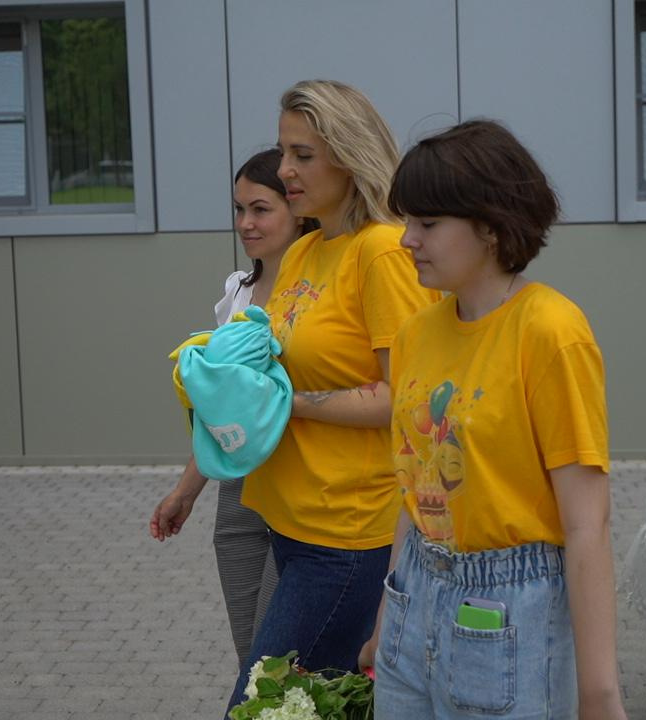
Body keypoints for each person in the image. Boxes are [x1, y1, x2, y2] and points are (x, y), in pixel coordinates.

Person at [362, 119, 627, 719]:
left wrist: (599, 693)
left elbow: (587, 522)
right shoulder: (415, 333)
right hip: (411, 598)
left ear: (490, 225)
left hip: (511, 609)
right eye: (407, 221)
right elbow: (416, 490)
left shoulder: (551, 332)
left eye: (428, 223)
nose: (406, 240)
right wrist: (386, 620)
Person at [225, 79, 440, 712]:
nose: (286, 170)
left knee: (258, 707)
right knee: (320, 706)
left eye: (303, 155)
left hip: (347, 536)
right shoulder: (305, 250)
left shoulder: (382, 252)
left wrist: (286, 403)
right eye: (283, 152)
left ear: (349, 156)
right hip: (290, 521)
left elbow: (406, 399)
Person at [149, 148, 316, 669]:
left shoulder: (321, 298)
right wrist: (184, 493)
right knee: (252, 656)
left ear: (298, 211)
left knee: (278, 653)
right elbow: (222, 412)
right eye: (239, 209)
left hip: (304, 484)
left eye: (260, 209)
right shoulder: (237, 293)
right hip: (240, 489)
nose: (245, 223)